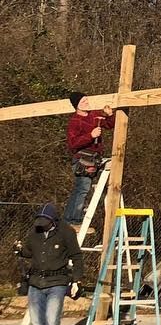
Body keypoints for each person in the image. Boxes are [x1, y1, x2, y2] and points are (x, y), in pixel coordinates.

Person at [14, 203, 83, 325]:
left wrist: (76, 280)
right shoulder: (34, 232)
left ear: (53, 221)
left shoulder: (66, 233)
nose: (41, 225)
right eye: (39, 222)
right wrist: (20, 249)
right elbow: (28, 252)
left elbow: (77, 256)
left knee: (52, 323)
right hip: (36, 283)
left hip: (57, 283)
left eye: (45, 222)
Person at [64, 92, 114, 228]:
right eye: (83, 101)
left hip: (93, 159)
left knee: (80, 190)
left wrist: (110, 115)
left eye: (87, 100)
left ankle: (69, 219)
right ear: (77, 105)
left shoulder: (93, 116)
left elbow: (109, 125)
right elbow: (72, 143)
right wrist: (90, 135)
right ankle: (74, 221)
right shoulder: (74, 122)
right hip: (82, 160)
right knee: (82, 189)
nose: (86, 102)